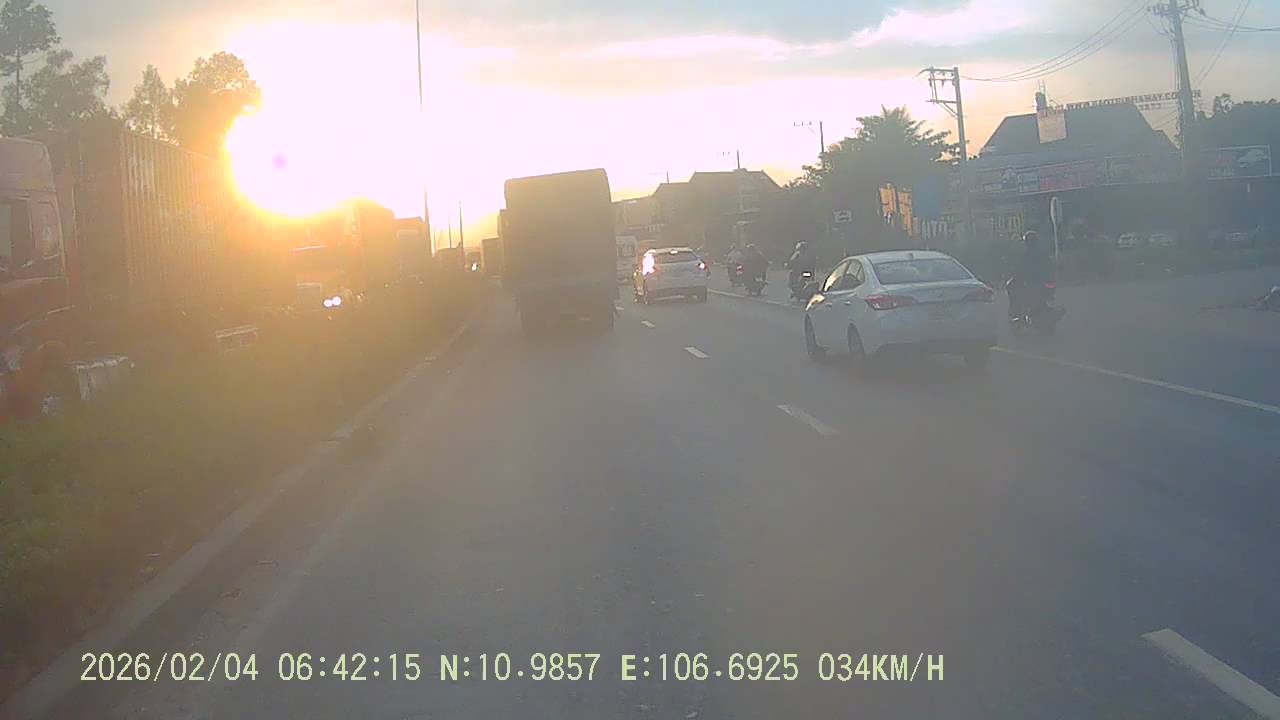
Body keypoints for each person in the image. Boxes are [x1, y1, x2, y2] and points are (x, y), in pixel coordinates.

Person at [1008, 230, 1054, 319]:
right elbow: (1050, 267)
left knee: (1010, 286)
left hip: (1030, 282)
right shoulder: (1043, 253)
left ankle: (1016, 311)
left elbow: (1019, 269)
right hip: (1043, 282)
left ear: (1027, 242)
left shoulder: (1025, 254)